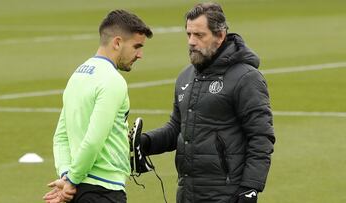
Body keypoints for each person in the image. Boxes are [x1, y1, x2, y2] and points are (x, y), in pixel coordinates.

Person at [139, 3, 275, 203]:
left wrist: (250, 188)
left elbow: (261, 137)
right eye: (189, 34)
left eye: (199, 35)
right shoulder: (185, 77)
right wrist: (145, 143)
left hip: (226, 194)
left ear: (220, 36)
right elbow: (177, 129)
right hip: (188, 192)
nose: (192, 42)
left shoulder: (246, 78)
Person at [43, 9, 153, 203]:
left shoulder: (77, 75)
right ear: (117, 42)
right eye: (137, 46)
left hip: (77, 192)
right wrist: (71, 180)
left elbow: (60, 137)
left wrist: (67, 175)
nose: (140, 54)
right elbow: (94, 139)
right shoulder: (112, 80)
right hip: (104, 191)